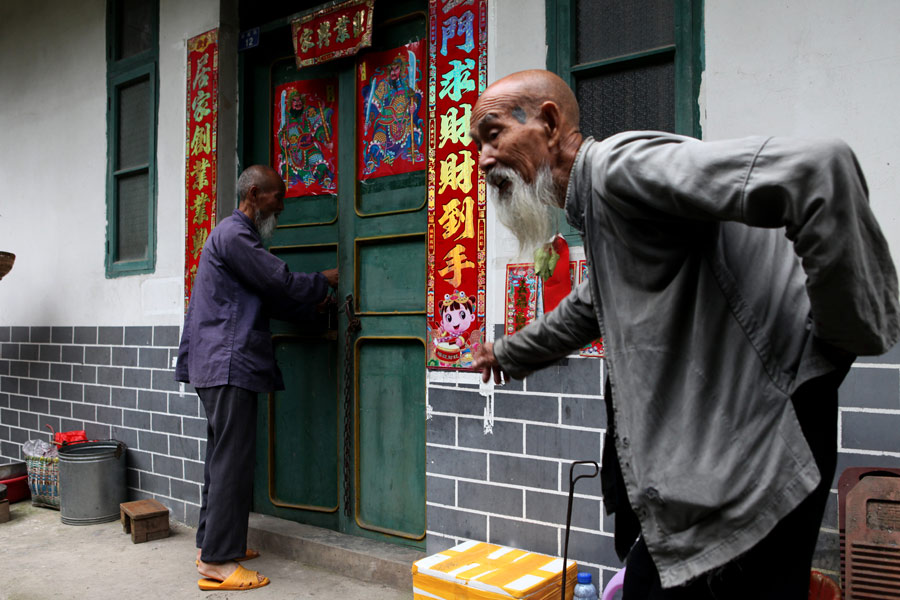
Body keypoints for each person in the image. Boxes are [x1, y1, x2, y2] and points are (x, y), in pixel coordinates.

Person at [469, 70, 900, 599]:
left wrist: (834, 348)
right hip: (737, 454)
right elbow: (587, 307)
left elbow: (818, 170)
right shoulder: (602, 209)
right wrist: (506, 353)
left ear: (550, 124)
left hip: (756, 454)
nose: (483, 160)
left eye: (493, 136)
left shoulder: (616, 169)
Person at [176, 164, 338, 591]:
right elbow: (277, 281)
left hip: (218, 362)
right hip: (226, 362)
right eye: (277, 197)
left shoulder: (231, 235)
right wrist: (323, 283)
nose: (281, 206)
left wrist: (310, 305)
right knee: (231, 461)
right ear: (253, 193)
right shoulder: (235, 234)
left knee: (221, 459)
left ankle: (210, 546)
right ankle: (218, 563)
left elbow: (264, 294)